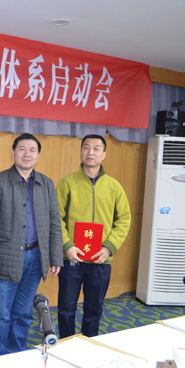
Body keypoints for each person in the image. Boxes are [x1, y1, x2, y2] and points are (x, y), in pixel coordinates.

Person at [0, 133, 63, 357]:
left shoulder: (46, 184)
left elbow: (55, 223)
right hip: (5, 258)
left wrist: (56, 256)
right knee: (2, 315)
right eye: (22, 149)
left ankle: (17, 354)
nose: (27, 154)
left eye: (32, 150)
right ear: (13, 152)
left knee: (24, 313)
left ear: (38, 155)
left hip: (36, 257)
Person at [56, 134, 131, 339]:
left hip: (100, 258)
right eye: (86, 147)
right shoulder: (67, 183)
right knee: (66, 308)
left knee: (94, 309)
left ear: (104, 154)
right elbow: (56, 218)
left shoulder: (114, 187)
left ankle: (89, 345)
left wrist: (109, 247)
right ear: (81, 152)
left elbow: (124, 219)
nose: (91, 152)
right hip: (72, 258)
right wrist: (67, 245)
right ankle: (66, 344)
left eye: (96, 148)